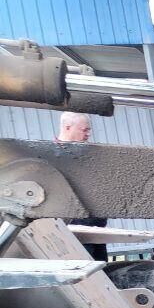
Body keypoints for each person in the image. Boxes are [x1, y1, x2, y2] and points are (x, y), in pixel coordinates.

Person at [56, 112, 109, 262]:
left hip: (95, 228)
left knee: (101, 273)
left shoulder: (90, 156)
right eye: (84, 130)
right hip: (70, 231)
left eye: (88, 130)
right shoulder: (50, 156)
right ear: (67, 127)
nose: (88, 134)